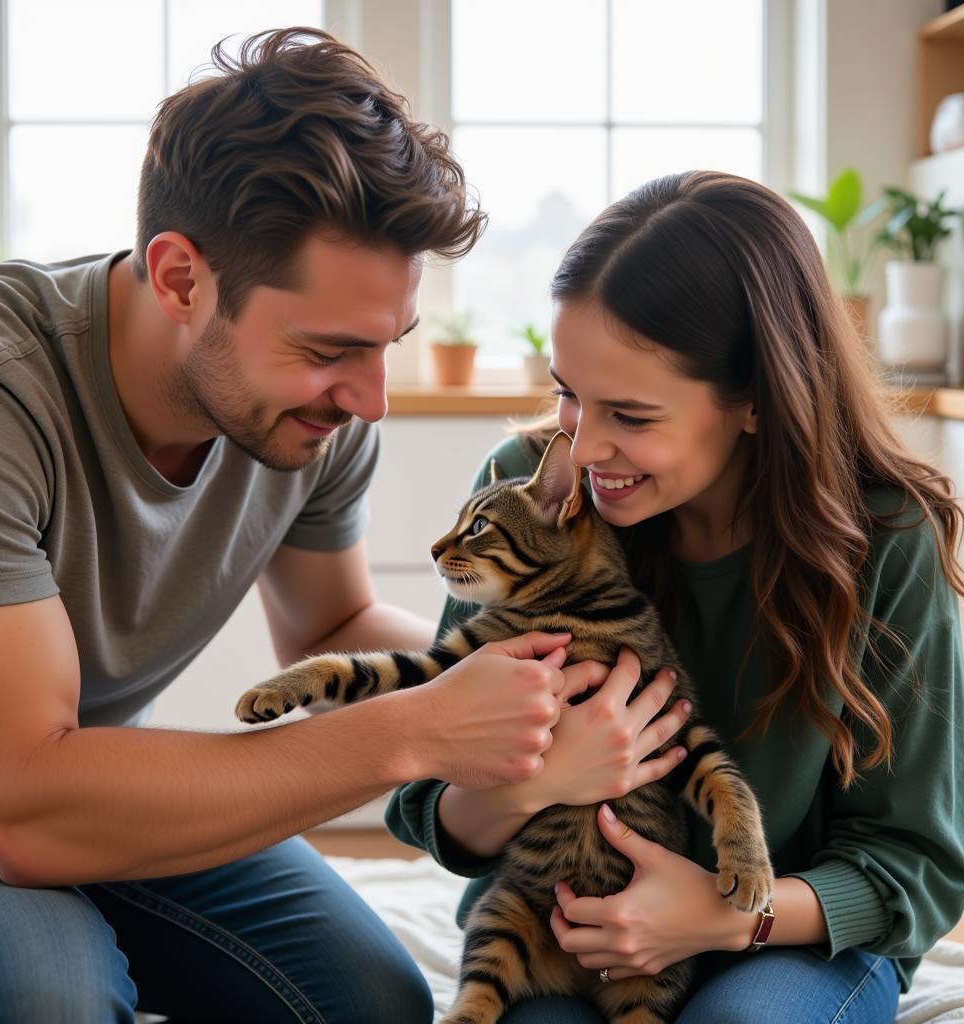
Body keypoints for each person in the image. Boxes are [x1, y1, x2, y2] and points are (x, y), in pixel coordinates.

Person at [0, 28, 606, 1023]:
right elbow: (23, 806)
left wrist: (531, 679)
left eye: (389, 345)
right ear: (179, 279)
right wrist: (416, 731)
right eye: (330, 348)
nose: (372, 398)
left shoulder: (316, 411)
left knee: (371, 1002)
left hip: (65, 763)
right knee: (50, 998)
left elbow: (331, 630)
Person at [389, 171, 964, 1023]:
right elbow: (426, 797)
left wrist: (730, 915)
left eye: (630, 413)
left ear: (758, 402)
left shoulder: (885, 538)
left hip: (788, 937)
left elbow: (917, 864)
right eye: (567, 394)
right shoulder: (525, 494)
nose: (583, 448)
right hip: (560, 926)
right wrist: (531, 785)